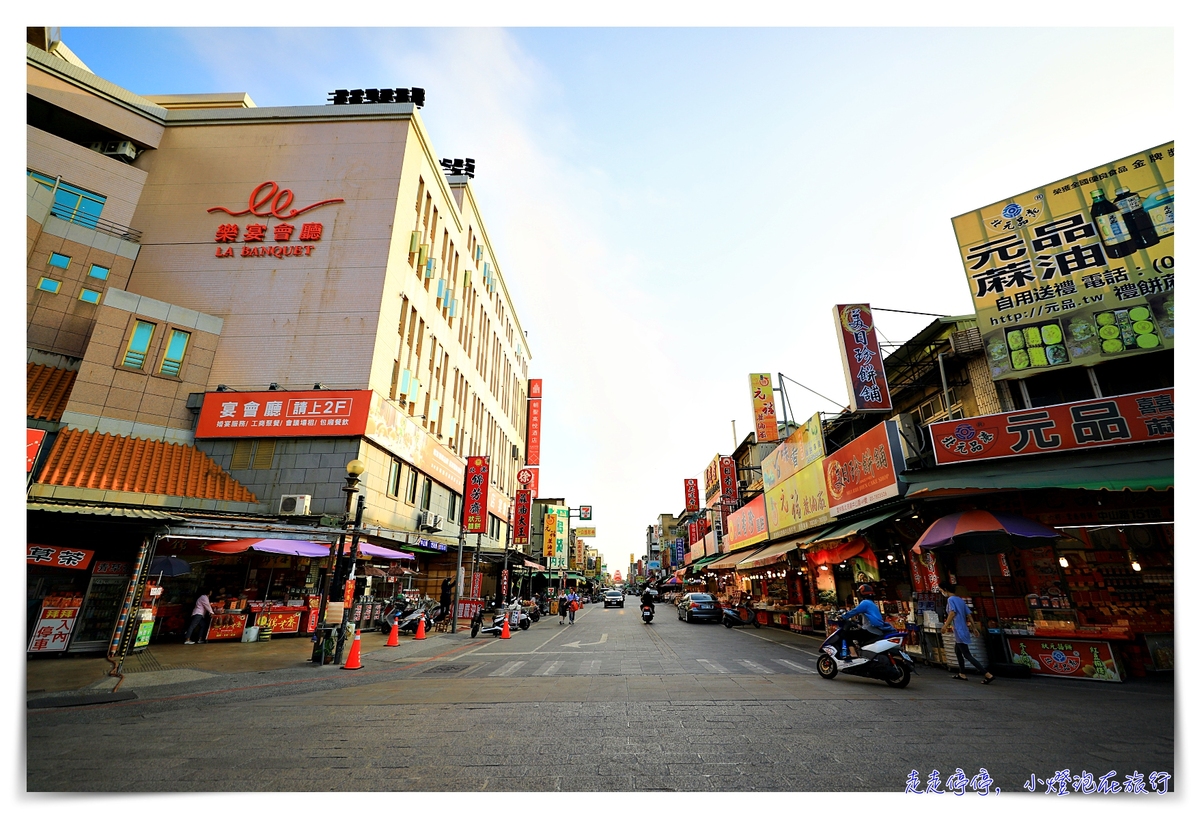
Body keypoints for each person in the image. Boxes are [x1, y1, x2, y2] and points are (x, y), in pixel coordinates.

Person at [941, 586, 995, 683]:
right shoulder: (960, 600)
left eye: (941, 590)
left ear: (945, 590)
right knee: (958, 651)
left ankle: (987, 674)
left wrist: (945, 625)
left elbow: (952, 613)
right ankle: (962, 673)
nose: (941, 592)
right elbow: (969, 614)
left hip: (959, 629)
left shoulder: (950, 599)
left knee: (966, 654)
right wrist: (974, 628)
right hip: (963, 629)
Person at [839, 584, 892, 657]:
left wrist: (843, 616)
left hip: (871, 630)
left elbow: (854, 611)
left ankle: (853, 654)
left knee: (846, 634)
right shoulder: (872, 603)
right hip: (877, 630)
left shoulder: (865, 603)